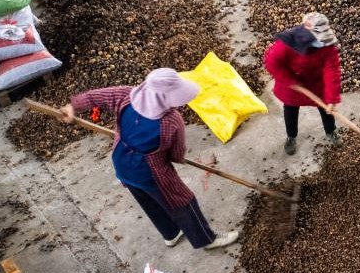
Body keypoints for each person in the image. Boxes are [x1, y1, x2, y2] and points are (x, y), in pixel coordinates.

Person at [58, 68, 238, 250]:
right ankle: (207, 239)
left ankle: (171, 233)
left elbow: (95, 97)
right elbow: (176, 154)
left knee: (147, 199)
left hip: (121, 161)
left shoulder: (125, 95)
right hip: (151, 172)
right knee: (183, 201)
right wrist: (167, 157)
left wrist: (73, 106)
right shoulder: (171, 121)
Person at [264, 12, 343, 155]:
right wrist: (291, 81)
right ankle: (291, 137)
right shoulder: (288, 43)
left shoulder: (327, 46)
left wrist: (332, 98)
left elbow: (332, 69)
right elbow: (272, 63)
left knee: (327, 110)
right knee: (291, 111)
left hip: (317, 85)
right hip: (292, 88)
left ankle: (331, 132)